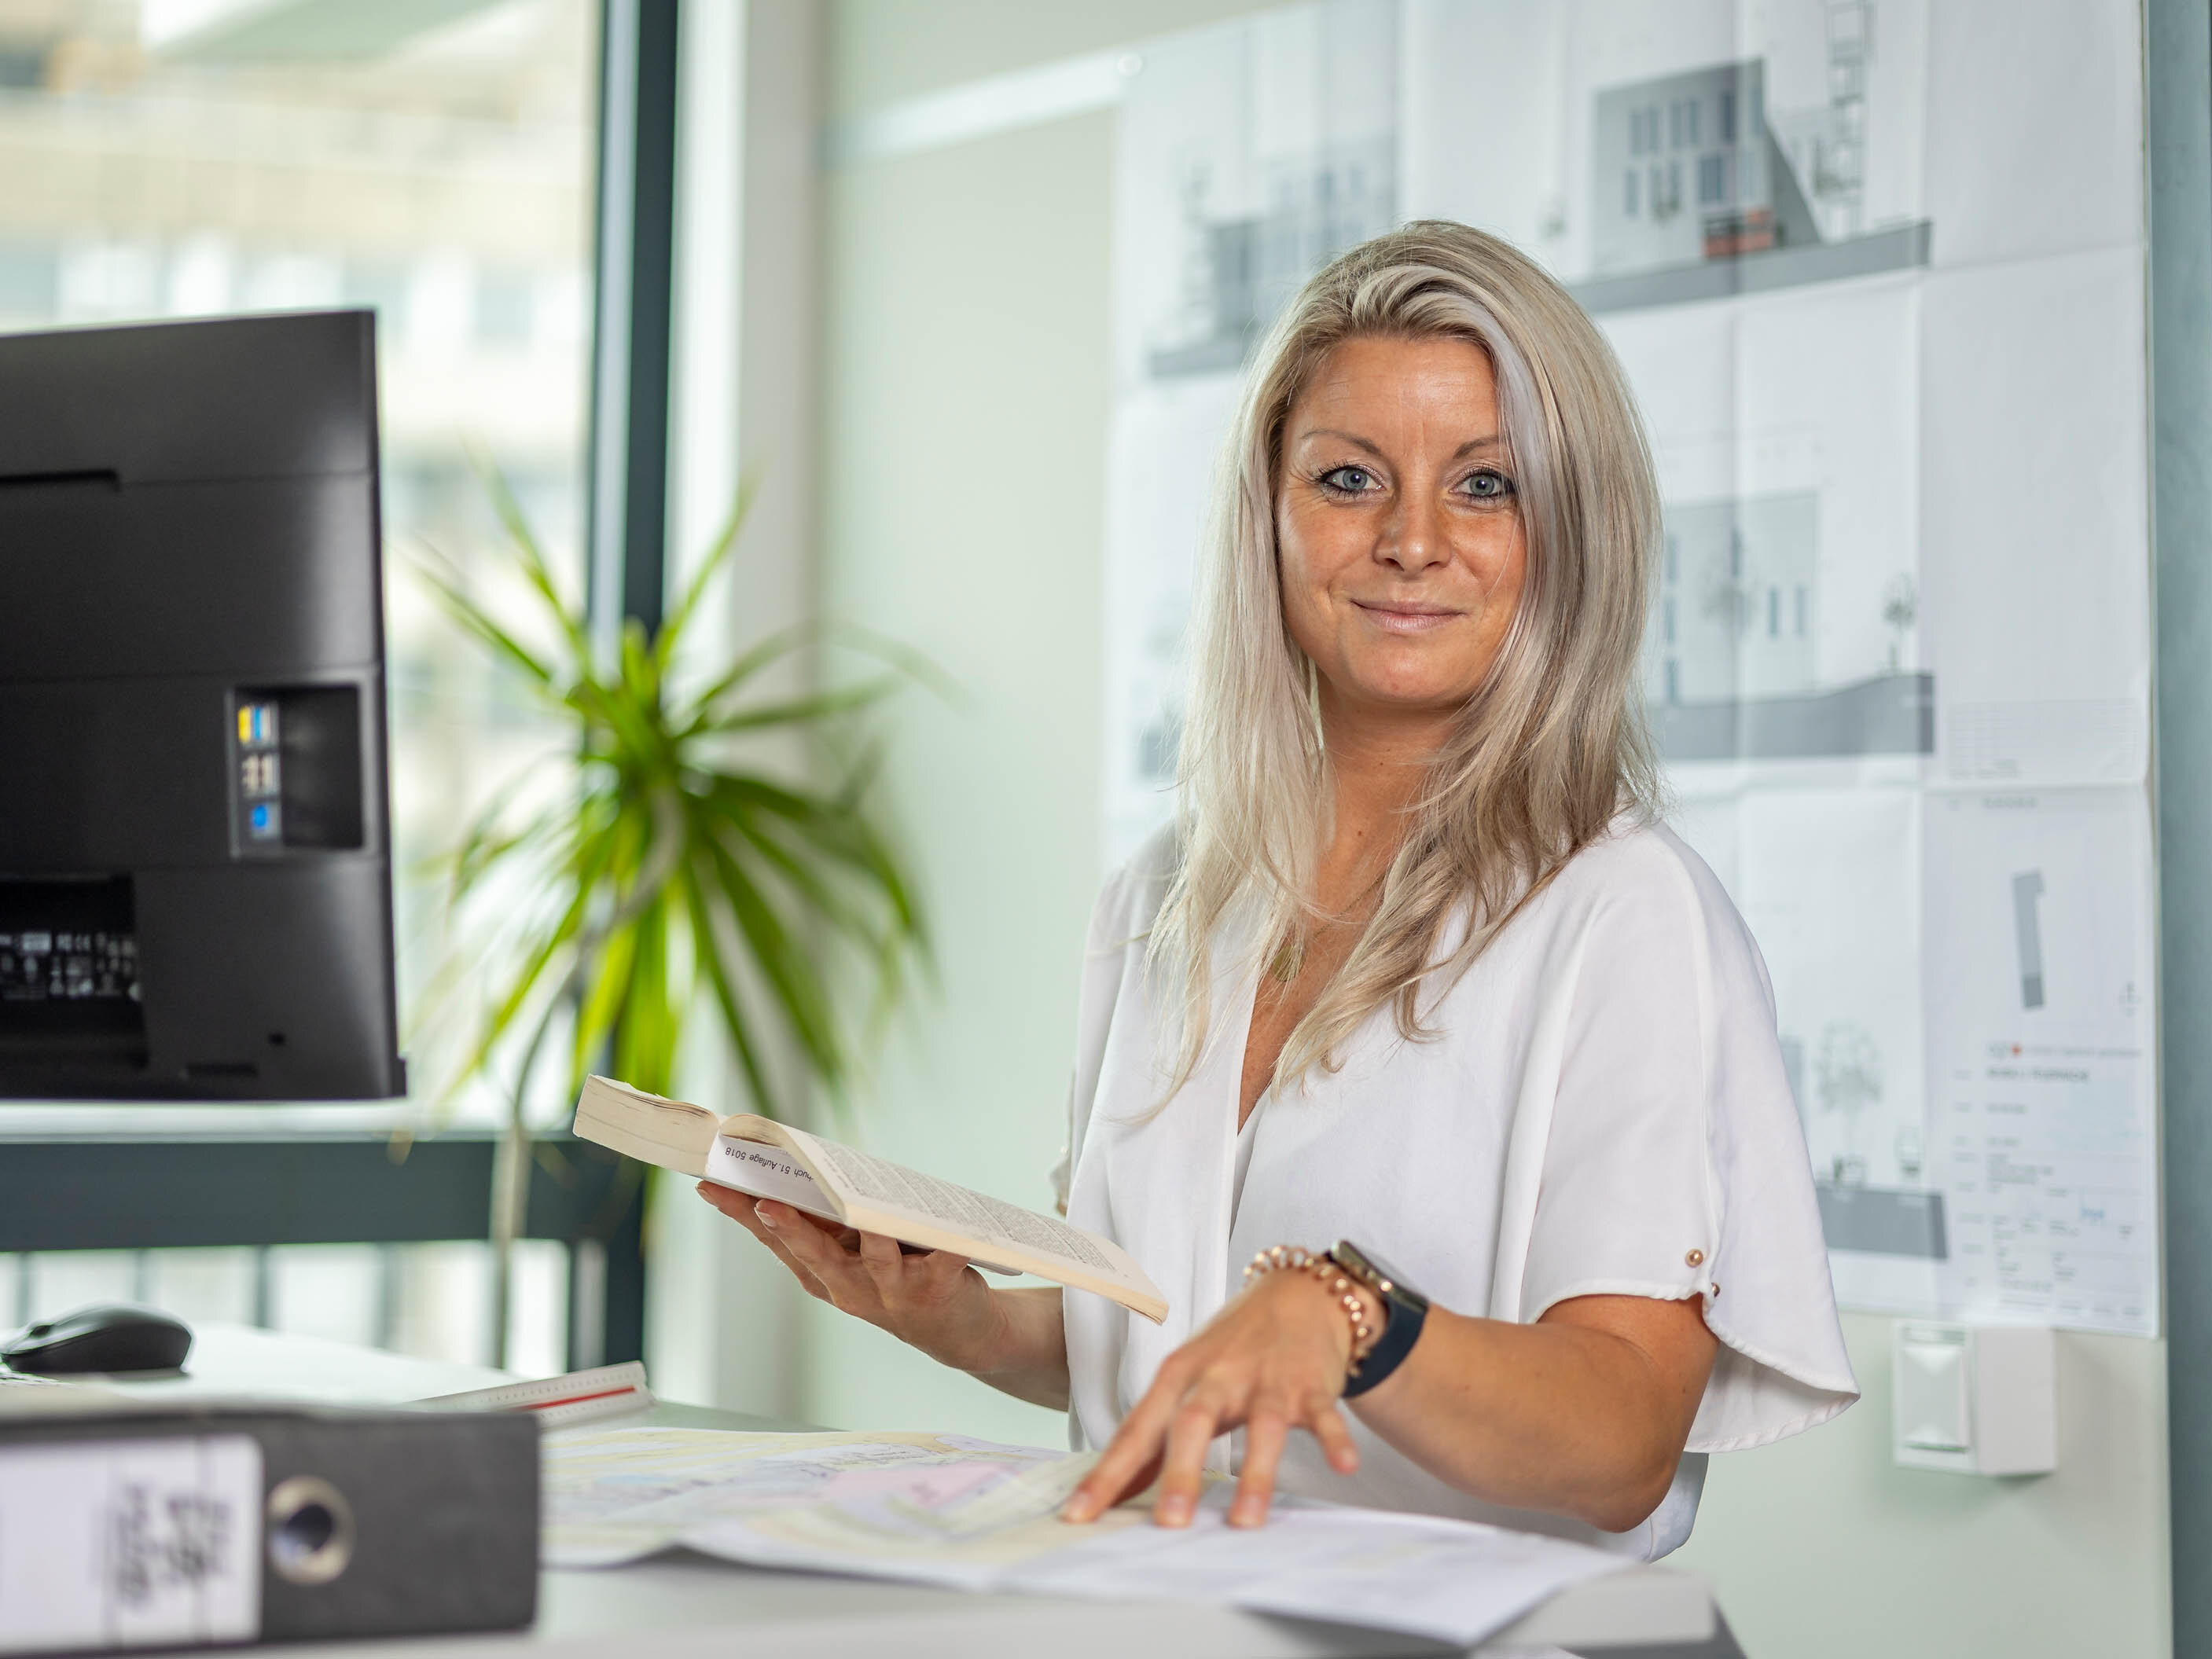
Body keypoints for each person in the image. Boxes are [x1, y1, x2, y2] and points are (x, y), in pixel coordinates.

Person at [700, 220, 1856, 1560]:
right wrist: (962, 1320)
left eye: (1485, 486)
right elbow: (1172, 1336)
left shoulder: (1623, 913)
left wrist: (1356, 1314)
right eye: (1350, 478)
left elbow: (1617, 1445)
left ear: (1568, 531)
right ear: (1269, 515)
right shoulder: (1166, 897)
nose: (1412, 541)